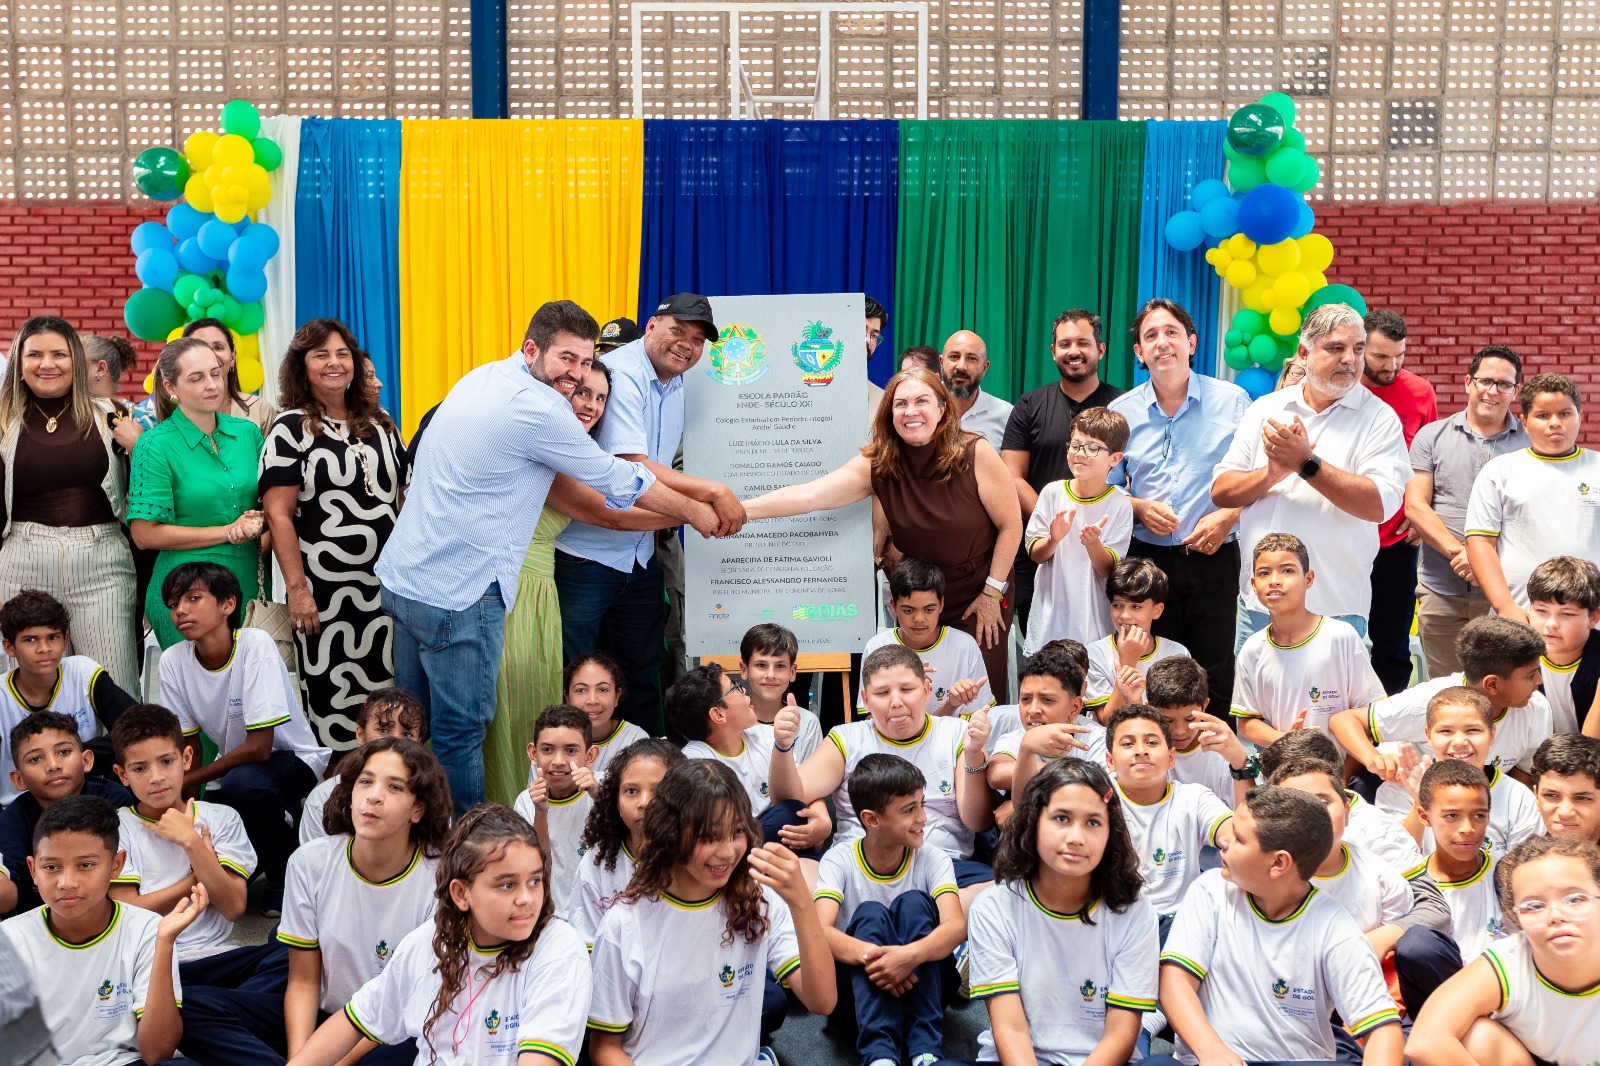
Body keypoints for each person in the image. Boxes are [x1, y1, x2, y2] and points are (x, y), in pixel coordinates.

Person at [375, 300, 713, 814]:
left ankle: (412, 837)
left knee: (412, 727)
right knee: (460, 731)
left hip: (406, 582)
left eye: (586, 363)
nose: (577, 378)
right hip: (459, 594)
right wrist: (697, 509)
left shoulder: (483, 375)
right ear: (532, 349)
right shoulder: (537, 408)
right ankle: (462, 852)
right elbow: (616, 483)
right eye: (566, 360)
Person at [745, 368, 1022, 700]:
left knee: (975, 699)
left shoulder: (976, 452)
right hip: (918, 601)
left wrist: (992, 594)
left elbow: (1011, 525)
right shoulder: (880, 463)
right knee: (913, 695)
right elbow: (809, 496)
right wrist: (740, 511)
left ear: (941, 409)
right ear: (889, 413)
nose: (911, 411)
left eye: (922, 401)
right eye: (900, 403)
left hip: (981, 596)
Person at [556, 293, 746, 733]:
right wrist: (710, 497)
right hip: (585, 556)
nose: (686, 345)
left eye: (697, 340)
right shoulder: (623, 372)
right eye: (678, 331)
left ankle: (644, 775)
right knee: (576, 679)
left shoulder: (675, 382)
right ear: (653, 325)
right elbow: (631, 465)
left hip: (640, 556)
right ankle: (576, 778)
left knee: (640, 676)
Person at [289, 804, 593, 1066]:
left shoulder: (559, 948)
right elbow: (355, 1019)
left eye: (535, 881)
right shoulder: (430, 942)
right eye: (507, 885)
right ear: (461, 893)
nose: (527, 898)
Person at [586, 760, 837, 1066]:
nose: (728, 851)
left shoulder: (759, 901)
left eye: (737, 833)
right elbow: (604, 1048)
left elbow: (822, 1000)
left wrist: (800, 903)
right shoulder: (624, 925)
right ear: (670, 832)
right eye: (709, 837)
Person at [1151, 786, 1404, 1066]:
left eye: (1238, 837)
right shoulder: (1210, 890)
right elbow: (1175, 983)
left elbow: (1383, 1031)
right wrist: (1211, 1051)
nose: (1224, 841)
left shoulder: (1334, 927)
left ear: (1278, 863)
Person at [1212, 302, 1412, 649]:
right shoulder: (1266, 408)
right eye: (1336, 348)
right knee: (1253, 706)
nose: (1350, 359)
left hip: (1336, 608)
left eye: (1358, 349)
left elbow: (1380, 504)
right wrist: (1271, 474)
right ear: (1304, 352)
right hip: (1260, 608)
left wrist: (1307, 464)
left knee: (1331, 707)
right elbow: (1221, 492)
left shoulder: (1379, 418)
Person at [260, 319, 408, 749]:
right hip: (325, 595)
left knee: (390, 701)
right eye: (321, 354)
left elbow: (402, 498)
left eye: (342, 353)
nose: (334, 363)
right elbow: (279, 515)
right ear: (301, 365)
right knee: (334, 705)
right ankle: (339, 800)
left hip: (387, 590)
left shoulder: (380, 422)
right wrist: (297, 590)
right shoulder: (290, 429)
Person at [156, 563, 330, 909]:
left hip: (292, 760)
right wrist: (189, 806)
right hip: (235, 769)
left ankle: (284, 873)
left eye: (193, 599)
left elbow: (261, 747)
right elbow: (190, 745)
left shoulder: (254, 644)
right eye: (174, 605)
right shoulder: (173, 661)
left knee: (245, 788)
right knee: (223, 836)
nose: (181, 611)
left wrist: (188, 779)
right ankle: (265, 851)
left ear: (228, 604)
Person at [769, 645, 995, 906]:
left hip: (940, 866)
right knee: (781, 878)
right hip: (855, 868)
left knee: (1001, 895)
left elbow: (977, 821)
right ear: (865, 699)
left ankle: (898, 916)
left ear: (926, 689)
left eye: (907, 689)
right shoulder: (846, 738)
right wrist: (783, 747)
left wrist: (975, 755)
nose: (896, 701)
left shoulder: (957, 733)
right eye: (882, 693)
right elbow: (788, 798)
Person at [1109, 298, 1250, 715]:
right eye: (1150, 336)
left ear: (1191, 342)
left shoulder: (1234, 401)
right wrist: (1136, 506)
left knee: (1215, 665)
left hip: (1215, 554)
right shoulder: (1121, 412)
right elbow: (1106, 488)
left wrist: (1228, 515)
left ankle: (1216, 763)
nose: (1161, 343)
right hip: (1148, 559)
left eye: (1171, 332)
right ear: (1138, 352)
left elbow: (1261, 476)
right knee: (1157, 667)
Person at [966, 759, 1157, 1066]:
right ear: (1034, 823)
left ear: (1111, 833)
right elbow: (1010, 1029)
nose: (1076, 837)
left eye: (1093, 822)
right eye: (1062, 818)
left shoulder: (1134, 912)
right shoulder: (994, 907)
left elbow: (1121, 1033)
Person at [0, 794, 204, 1066]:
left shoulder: (147, 930)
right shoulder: (10, 939)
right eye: (51, 867)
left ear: (116, 865)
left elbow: (159, 1052)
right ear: (33, 870)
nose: (66, 882)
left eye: (85, 865)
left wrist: (164, 943)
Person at [0, 316, 140, 689]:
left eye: (59, 354)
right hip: (22, 559)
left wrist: (140, 447)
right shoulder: (3, 420)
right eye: (35, 355)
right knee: (27, 687)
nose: (47, 364)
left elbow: (147, 490)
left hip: (102, 563)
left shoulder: (112, 413)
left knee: (115, 683)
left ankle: (119, 749)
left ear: (76, 360)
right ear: (19, 362)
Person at [813, 754, 964, 1066]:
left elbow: (955, 927)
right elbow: (819, 932)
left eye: (922, 804)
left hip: (922, 984)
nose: (923, 817)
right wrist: (883, 961)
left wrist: (909, 957)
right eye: (910, 810)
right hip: (859, 997)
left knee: (913, 903)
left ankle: (925, 1052)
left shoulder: (933, 857)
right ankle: (880, 1055)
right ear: (872, 820)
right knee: (869, 913)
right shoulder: (839, 859)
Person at [1406, 834, 1600, 1066]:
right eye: (1534, 906)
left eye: (1575, 899)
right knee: (1477, 1036)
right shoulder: (1510, 961)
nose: (1556, 915)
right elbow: (1425, 1041)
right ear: (1515, 915)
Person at [128, 336, 266, 649]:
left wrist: (261, 523)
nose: (212, 384)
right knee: (195, 696)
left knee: (249, 692)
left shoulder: (248, 433)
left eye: (216, 373)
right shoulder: (155, 445)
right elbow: (144, 535)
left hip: (249, 585)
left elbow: (270, 505)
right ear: (170, 387)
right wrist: (227, 531)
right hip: (186, 592)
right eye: (197, 378)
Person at [107, 704, 259, 977]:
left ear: (187, 758)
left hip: (215, 955)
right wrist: (195, 878)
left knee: (283, 958)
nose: (156, 778)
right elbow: (128, 913)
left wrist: (190, 840)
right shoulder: (116, 827)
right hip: (148, 962)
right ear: (122, 775)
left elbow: (234, 906)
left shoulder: (222, 818)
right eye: (140, 768)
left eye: (166, 761)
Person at [1405, 345, 1528, 677]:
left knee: (1502, 688)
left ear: (1515, 391)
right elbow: (1415, 505)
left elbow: (1529, 519)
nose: (1492, 391)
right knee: (1447, 691)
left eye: (1504, 384)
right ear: (1468, 383)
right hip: (1441, 591)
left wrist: (1485, 563)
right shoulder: (1432, 437)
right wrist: (1462, 553)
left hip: (1507, 595)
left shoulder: (1530, 446)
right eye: (1485, 381)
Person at [1001, 309, 1124, 634]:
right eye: (1064, 343)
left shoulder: (1124, 406)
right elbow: (1012, 476)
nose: (1073, 351)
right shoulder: (1029, 405)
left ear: (1101, 349)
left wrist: (1087, 528)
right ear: (1053, 351)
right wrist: (1053, 521)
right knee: (1045, 655)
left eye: (1083, 342)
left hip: (1103, 551)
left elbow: (1132, 479)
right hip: (1041, 550)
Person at [1332, 616, 1552, 783]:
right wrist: (1374, 760)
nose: (1539, 681)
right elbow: (1345, 720)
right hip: (1407, 795)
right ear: (1492, 684)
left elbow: (1523, 778)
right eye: (1530, 675)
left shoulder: (1536, 709)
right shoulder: (1430, 701)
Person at [1466, 372, 1600, 622]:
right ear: (1524, 423)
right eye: (1542, 415)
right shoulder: (1500, 471)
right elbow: (1480, 543)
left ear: (1580, 418)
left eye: (1564, 414)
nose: (1555, 423)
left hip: (1590, 619)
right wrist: (1505, 606)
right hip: (1519, 615)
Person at [1231, 532, 1385, 747]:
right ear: (1254, 584)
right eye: (1264, 573)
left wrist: (1343, 777)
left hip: (1341, 772)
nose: (1275, 581)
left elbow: (1369, 712)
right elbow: (1247, 722)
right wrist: (1289, 741)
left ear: (1308, 578)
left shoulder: (1340, 637)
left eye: (1287, 571)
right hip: (1284, 772)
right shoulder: (1252, 649)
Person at [669, 663, 825, 854]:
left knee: (795, 813)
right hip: (731, 847)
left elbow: (805, 787)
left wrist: (821, 820)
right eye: (734, 687)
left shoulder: (765, 736)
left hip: (774, 842)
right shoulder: (694, 762)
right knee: (787, 814)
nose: (743, 689)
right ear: (718, 714)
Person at [0, 589, 138, 805]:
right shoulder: (2, 697)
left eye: (52, 637)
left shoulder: (83, 673)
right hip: (21, 804)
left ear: (65, 641)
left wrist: (73, 754)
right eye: (30, 640)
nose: (44, 648)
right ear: (9, 647)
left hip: (86, 794)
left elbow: (136, 726)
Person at [1103, 705, 1234, 933]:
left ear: (1171, 757)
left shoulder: (1193, 798)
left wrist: (1240, 762)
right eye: (1127, 743)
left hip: (1181, 924)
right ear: (1110, 761)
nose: (1141, 750)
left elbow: (1238, 835)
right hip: (1116, 921)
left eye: (1152, 742)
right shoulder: (1096, 802)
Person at [1361, 310, 1438, 694]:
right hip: (1340, 538)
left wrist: (1420, 512)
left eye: (1399, 356)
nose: (1391, 366)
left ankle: (1384, 730)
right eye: (1380, 357)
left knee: (1391, 646)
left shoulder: (1421, 392)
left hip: (1395, 542)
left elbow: (1427, 463)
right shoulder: (1340, 388)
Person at [1392, 760, 1506, 1014]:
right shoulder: (1407, 886)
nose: (1467, 828)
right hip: (1437, 1012)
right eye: (1452, 816)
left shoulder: (1509, 874)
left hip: (1504, 1005)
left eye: (1479, 815)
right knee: (1417, 944)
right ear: (1425, 816)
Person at [1376, 686, 1541, 862]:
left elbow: (1523, 869)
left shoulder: (1518, 797)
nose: (1460, 742)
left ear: (1492, 734)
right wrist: (1421, 800)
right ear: (1428, 736)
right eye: (1445, 731)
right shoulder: (1398, 790)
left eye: (1473, 730)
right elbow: (1395, 861)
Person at [0, 709, 133, 915]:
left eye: (63, 752)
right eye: (35, 759)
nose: (53, 765)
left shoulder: (113, 800)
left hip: (106, 917)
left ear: (87, 760)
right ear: (19, 779)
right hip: (39, 926)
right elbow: (8, 889)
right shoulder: (14, 820)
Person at [1023, 407, 1134, 653]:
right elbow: (1035, 554)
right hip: (1050, 620)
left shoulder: (1119, 504)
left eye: (1093, 448)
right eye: (1075, 445)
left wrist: (1093, 543)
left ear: (1114, 459)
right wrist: (1053, 539)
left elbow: (1108, 570)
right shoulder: (1053, 492)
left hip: (1092, 624)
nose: (1080, 454)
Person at [571, 738, 685, 949]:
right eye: (631, 791)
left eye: (657, 792)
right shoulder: (596, 865)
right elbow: (587, 946)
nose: (644, 803)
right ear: (616, 801)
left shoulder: (694, 855)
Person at [861, 558, 994, 716]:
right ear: (893, 606)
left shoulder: (964, 646)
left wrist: (953, 703)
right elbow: (870, 722)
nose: (919, 619)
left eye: (929, 610)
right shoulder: (877, 647)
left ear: (941, 605)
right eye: (908, 611)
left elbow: (979, 718)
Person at [300, 686, 426, 845]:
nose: (395, 741)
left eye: (407, 734)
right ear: (360, 734)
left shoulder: (430, 796)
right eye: (383, 729)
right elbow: (314, 864)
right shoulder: (322, 800)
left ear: (419, 742)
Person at [513, 703, 599, 916]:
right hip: (551, 915)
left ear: (590, 756)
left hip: (598, 912)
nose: (558, 761)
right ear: (533, 753)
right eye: (547, 750)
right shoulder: (526, 801)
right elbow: (537, 868)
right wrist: (541, 812)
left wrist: (600, 796)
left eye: (570, 751)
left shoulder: (604, 788)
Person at [1082, 558, 1189, 719]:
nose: (1125, 615)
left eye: (1136, 607)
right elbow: (1107, 719)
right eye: (1117, 605)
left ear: (1157, 611)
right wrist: (1128, 661)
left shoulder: (1177, 653)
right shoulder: (1095, 653)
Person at [1142, 656, 1256, 805]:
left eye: (1190, 719)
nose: (1179, 731)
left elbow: (1249, 811)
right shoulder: (1141, 751)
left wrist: (1240, 761)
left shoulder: (1222, 753)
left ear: (1205, 704)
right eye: (1167, 720)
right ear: (1149, 708)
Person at [1528, 557, 1600, 734]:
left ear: (1593, 618)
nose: (1552, 624)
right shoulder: (1515, 657)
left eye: (1567, 614)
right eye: (1541, 611)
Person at [740, 623, 824, 763]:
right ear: (744, 670)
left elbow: (811, 781)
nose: (771, 675)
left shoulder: (807, 723)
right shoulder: (731, 721)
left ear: (792, 672)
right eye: (761, 665)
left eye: (780, 666)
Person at [562, 651, 649, 781]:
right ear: (567, 697)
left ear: (617, 696)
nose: (592, 700)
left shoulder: (635, 740)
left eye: (603, 689)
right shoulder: (551, 737)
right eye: (581, 690)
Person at [181, 317, 277, 433]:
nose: (210, 355)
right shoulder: (173, 415)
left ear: (232, 357)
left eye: (218, 347)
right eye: (200, 347)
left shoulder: (260, 411)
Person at [939, 329, 1013, 451]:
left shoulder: (1007, 415)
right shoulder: (920, 410)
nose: (961, 366)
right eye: (954, 357)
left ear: (985, 367)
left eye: (971, 358)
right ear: (941, 362)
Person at [1531, 734, 1600, 842]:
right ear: (1536, 796)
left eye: (1582, 798)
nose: (1565, 813)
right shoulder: (1525, 855)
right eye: (1551, 795)